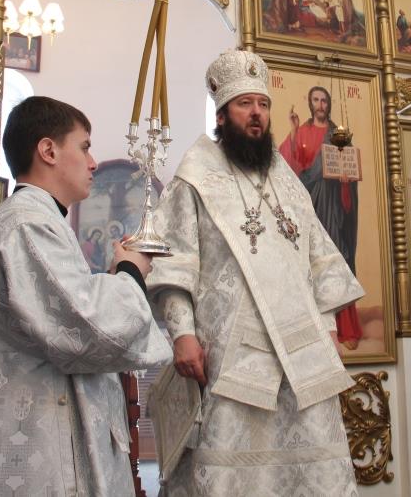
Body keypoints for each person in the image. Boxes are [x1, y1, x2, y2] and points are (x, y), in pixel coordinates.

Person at [147, 49, 363, 495]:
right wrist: (183, 334)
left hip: (301, 361)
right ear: (222, 115)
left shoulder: (287, 181)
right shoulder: (196, 176)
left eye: (263, 104)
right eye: (245, 104)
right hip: (230, 357)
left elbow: (319, 262)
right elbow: (175, 261)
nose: (257, 114)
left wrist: (327, 330)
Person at [0, 96, 172, 495]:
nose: (92, 163)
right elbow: (84, 326)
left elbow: (65, 309)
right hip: (38, 452)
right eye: (84, 147)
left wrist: (115, 274)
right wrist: (130, 272)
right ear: (49, 150)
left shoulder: (39, 221)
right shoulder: (26, 224)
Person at [279, 85, 363, 349]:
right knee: (309, 262)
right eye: (315, 100)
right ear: (310, 103)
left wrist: (347, 182)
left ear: (329, 103)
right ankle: (314, 328)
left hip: (334, 207)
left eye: (324, 100)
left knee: (337, 260)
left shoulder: (338, 135)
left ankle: (345, 327)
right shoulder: (302, 132)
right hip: (310, 206)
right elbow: (289, 167)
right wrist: (293, 131)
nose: (320, 105)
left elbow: (349, 165)